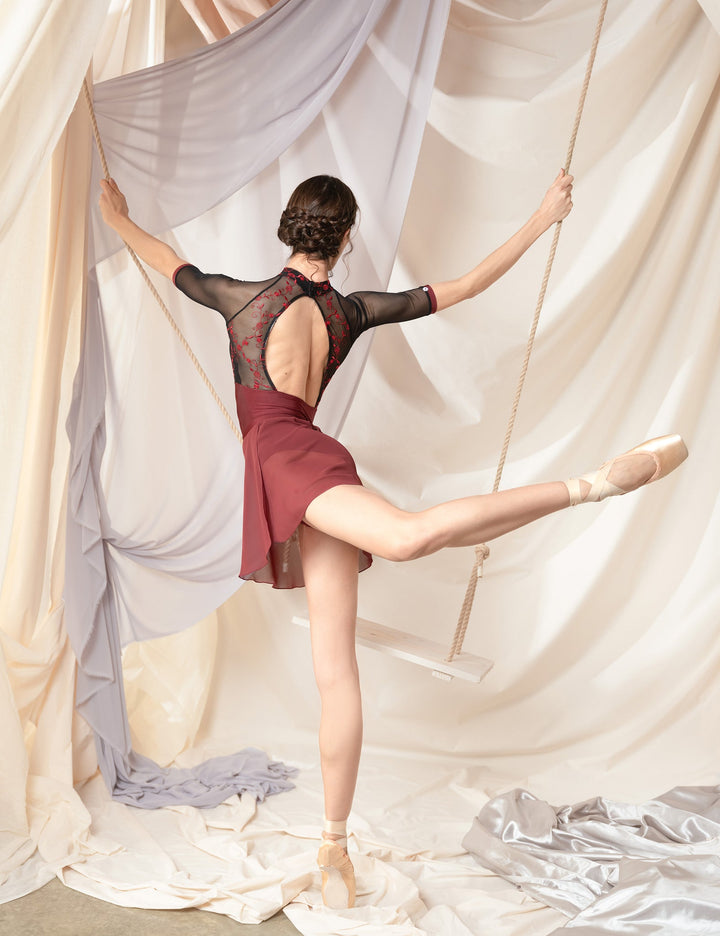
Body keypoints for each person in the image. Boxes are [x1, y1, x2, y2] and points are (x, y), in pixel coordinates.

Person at [98, 171, 687, 909]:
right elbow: (462, 286)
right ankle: (333, 848)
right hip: (312, 460)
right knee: (335, 673)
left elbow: (166, 260)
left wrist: (117, 218)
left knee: (408, 539)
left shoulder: (239, 297)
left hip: (290, 468)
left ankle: (592, 485)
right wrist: (542, 217)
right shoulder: (349, 311)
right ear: (345, 239)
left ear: (292, 229)